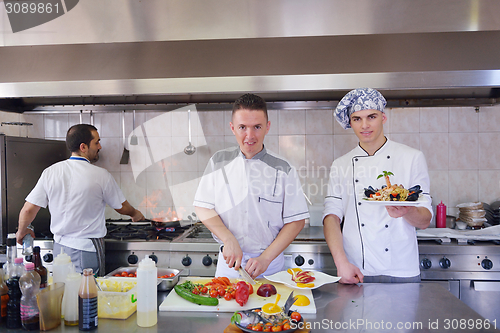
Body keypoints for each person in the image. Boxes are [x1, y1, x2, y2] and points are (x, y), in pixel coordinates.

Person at [323, 88, 433, 284]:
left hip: (402, 269)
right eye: (357, 119)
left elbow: (425, 220)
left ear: (383, 117)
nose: (365, 125)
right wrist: (341, 263)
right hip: (356, 269)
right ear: (350, 122)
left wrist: (406, 211)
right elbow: (331, 216)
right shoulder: (341, 164)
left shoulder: (411, 157)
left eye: (371, 117)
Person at [194, 93, 309, 279]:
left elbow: (296, 221)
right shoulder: (218, 162)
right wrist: (228, 238)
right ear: (232, 128)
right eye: (242, 127)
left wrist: (265, 258)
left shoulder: (283, 168)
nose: (249, 136)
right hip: (229, 267)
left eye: (257, 127)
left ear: (267, 127)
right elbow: (203, 206)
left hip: (270, 268)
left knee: (272, 309)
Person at [16, 124, 144, 274]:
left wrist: (21, 231)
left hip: (59, 250)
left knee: (64, 294)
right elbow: (121, 207)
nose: (100, 146)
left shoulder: (50, 172)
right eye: (96, 142)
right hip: (87, 250)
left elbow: (28, 209)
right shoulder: (101, 175)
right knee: (88, 295)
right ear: (83, 147)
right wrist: (135, 214)